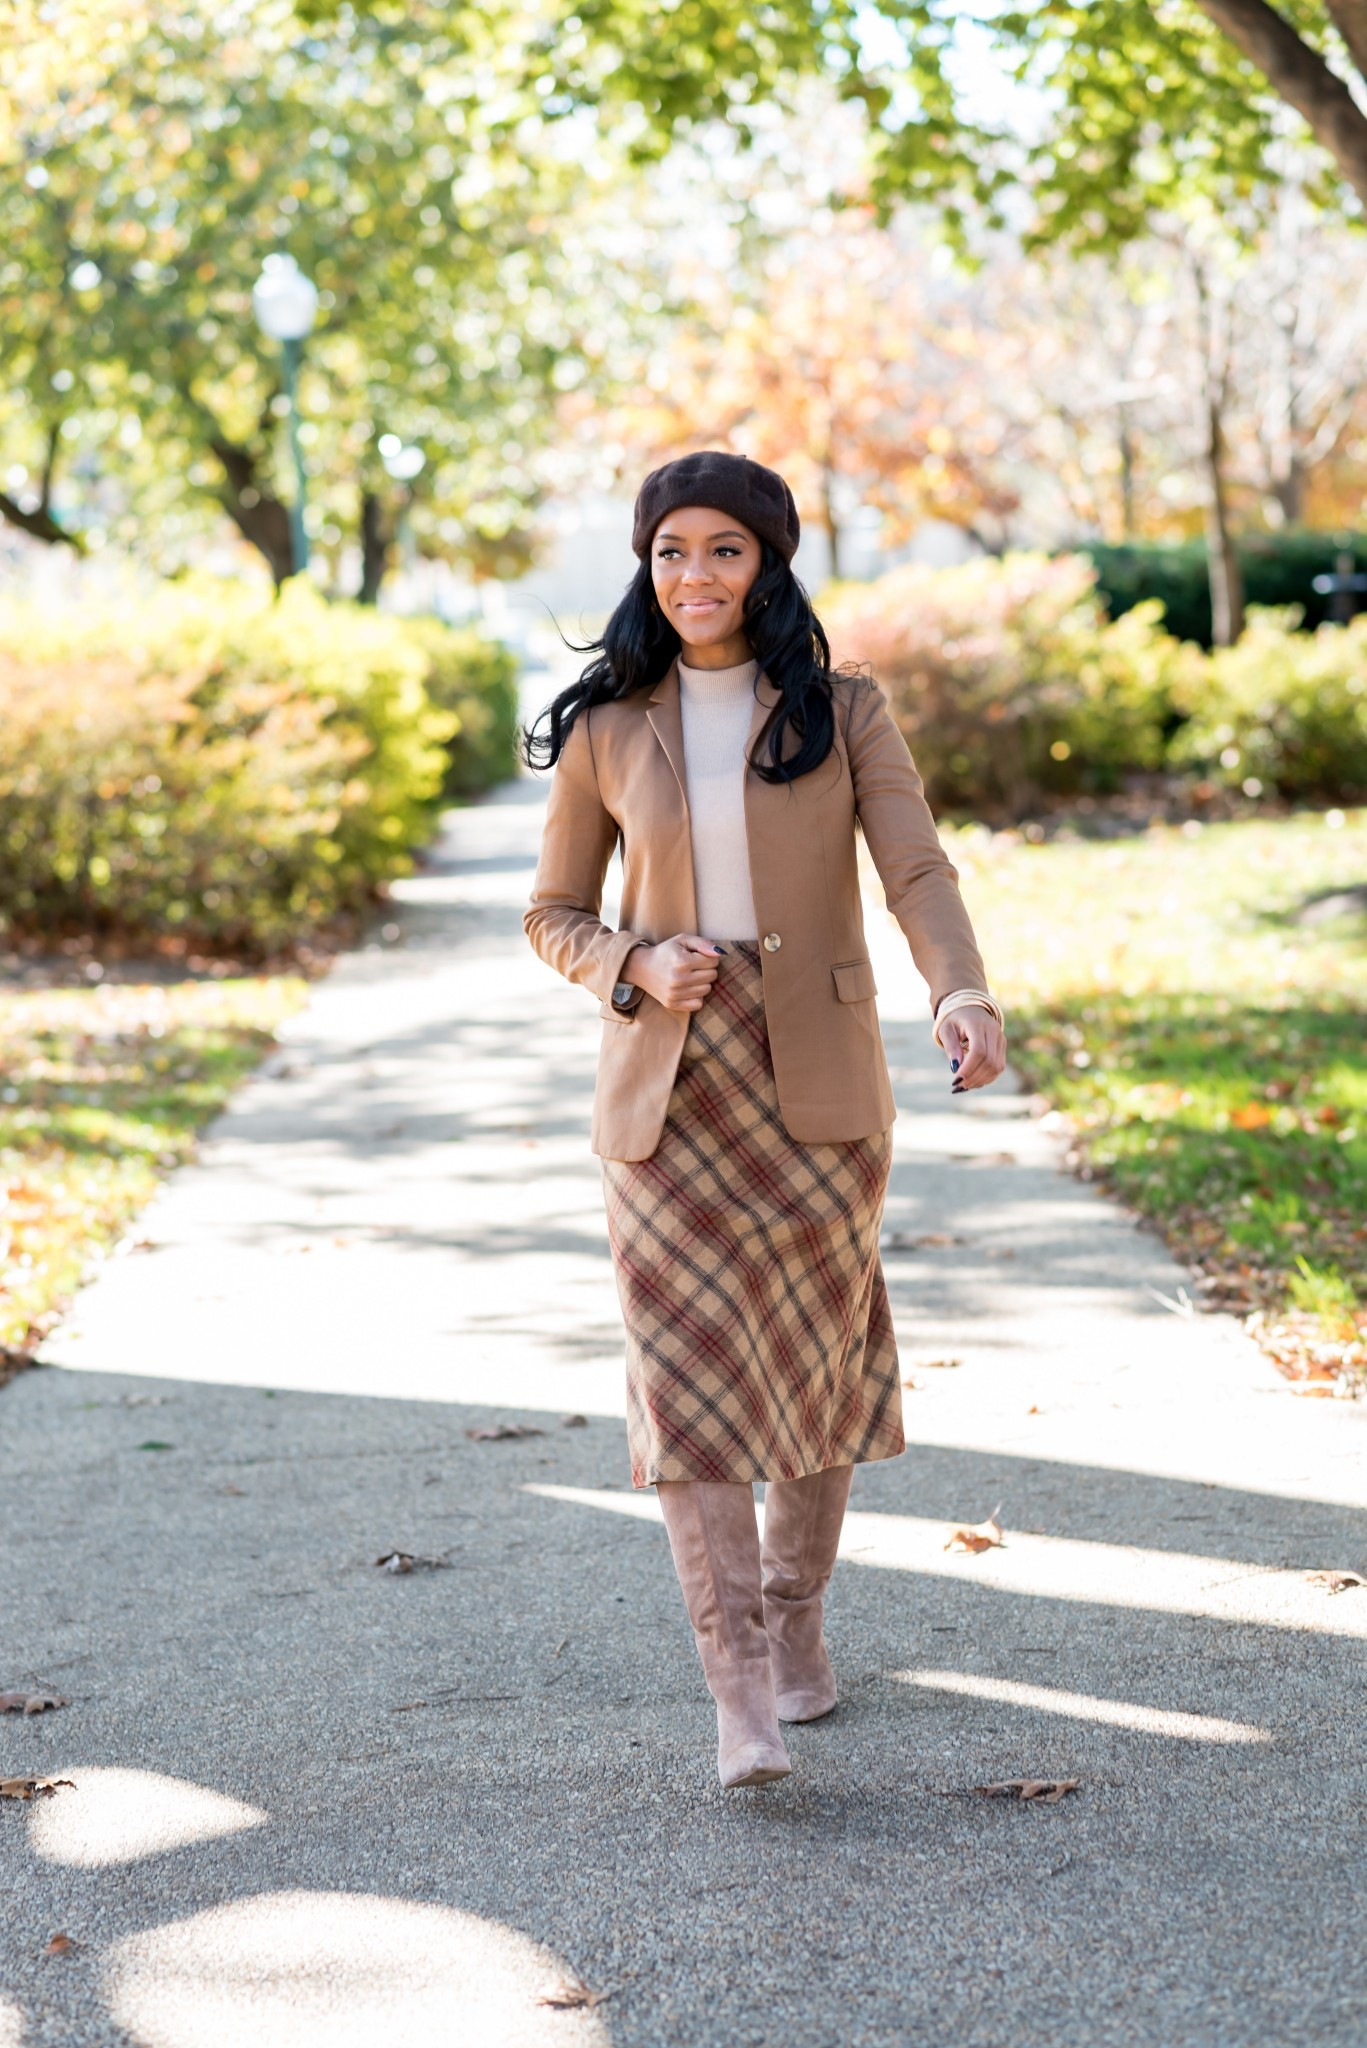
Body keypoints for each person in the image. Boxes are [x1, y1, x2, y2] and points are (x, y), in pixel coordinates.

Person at [524, 451, 1005, 1789]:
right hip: (668, 1089)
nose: (695, 575)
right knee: (683, 1383)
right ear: (646, 565)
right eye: (670, 551)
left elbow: (915, 866)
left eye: (723, 550)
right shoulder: (608, 725)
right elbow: (551, 914)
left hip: (818, 1081)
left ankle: (796, 1618)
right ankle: (736, 1686)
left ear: (767, 564)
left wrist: (960, 989)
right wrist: (631, 960)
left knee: (812, 1368)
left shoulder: (844, 710)